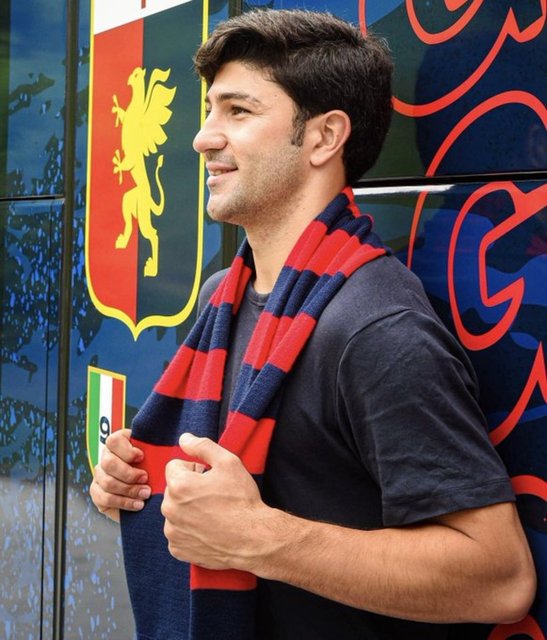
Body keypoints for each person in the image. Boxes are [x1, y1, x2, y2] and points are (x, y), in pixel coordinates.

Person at [90, 9, 536, 639]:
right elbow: (221, 493)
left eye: (238, 111)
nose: (203, 137)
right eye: (210, 110)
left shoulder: (375, 327)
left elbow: (500, 578)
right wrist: (134, 483)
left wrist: (259, 537)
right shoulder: (226, 296)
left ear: (325, 137)